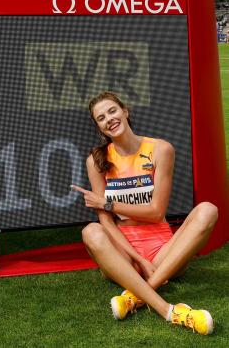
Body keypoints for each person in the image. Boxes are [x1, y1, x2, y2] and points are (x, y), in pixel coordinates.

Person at [71, 91, 218, 336]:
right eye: (101, 117)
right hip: (123, 256)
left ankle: (136, 296)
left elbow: (155, 211)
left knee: (207, 210)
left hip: (162, 252)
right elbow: (106, 224)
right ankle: (169, 311)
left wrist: (108, 203)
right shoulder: (96, 161)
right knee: (91, 231)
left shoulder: (161, 149)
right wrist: (138, 260)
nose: (109, 119)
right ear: (99, 126)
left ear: (125, 111)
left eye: (112, 111)